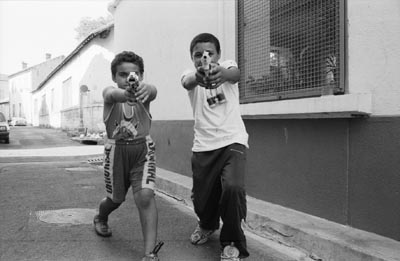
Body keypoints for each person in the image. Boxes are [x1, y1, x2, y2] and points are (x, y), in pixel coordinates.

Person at [181, 33, 250, 261]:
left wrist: (221, 74)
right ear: (192, 59)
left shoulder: (228, 66)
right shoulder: (191, 77)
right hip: (203, 146)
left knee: (233, 188)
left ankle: (232, 243)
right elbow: (186, 82)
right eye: (198, 55)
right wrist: (198, 76)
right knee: (202, 198)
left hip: (233, 141)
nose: (204, 57)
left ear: (218, 55)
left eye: (209, 53)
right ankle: (207, 224)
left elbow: (235, 74)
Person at [93, 51, 163, 261]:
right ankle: (101, 216)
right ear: (114, 77)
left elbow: (154, 90)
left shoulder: (145, 94)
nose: (128, 79)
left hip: (143, 151)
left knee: (145, 196)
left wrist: (145, 89)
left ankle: (149, 253)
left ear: (141, 76)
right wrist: (125, 94)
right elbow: (109, 94)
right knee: (115, 199)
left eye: (134, 74)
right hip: (116, 154)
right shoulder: (111, 95)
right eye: (123, 75)